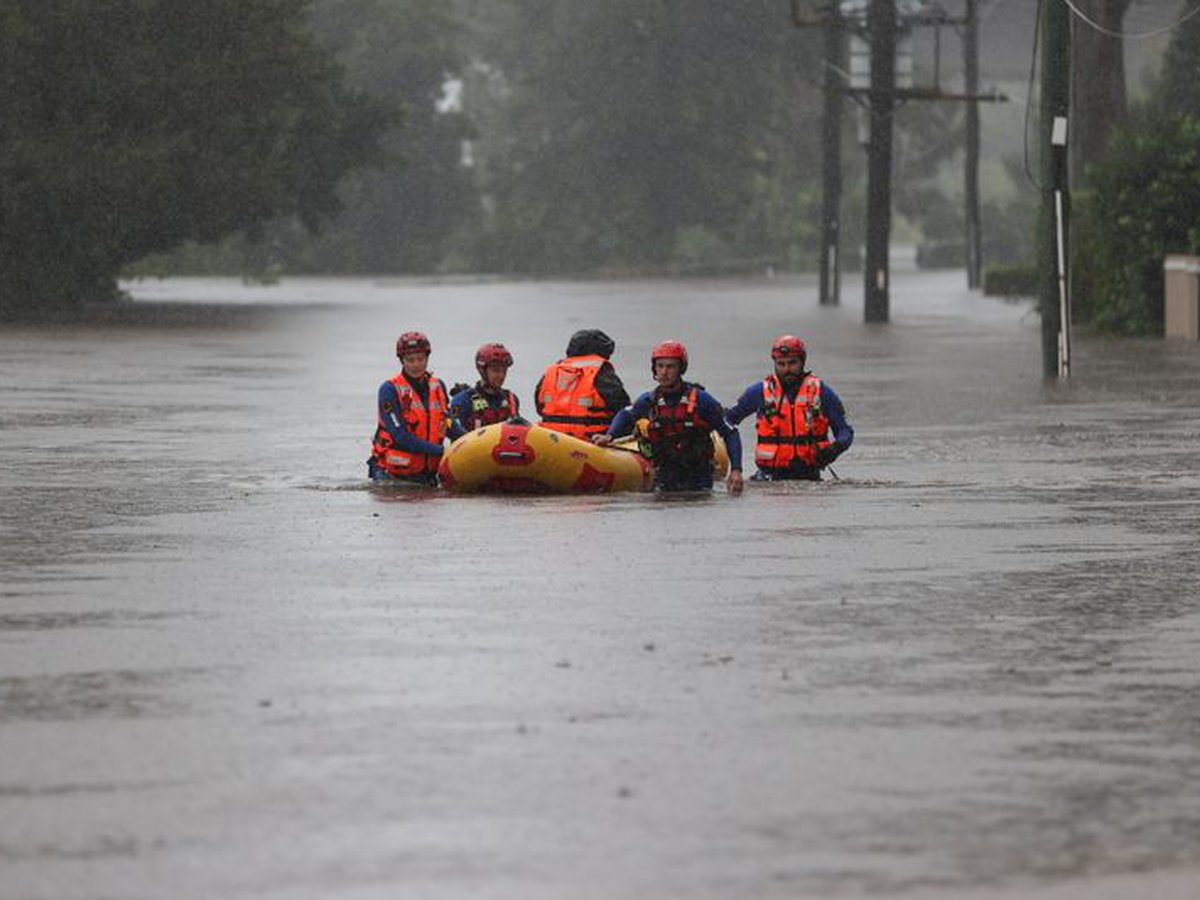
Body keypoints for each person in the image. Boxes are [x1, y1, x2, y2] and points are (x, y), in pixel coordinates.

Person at [593, 340, 743, 494]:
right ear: (654, 369)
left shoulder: (702, 400)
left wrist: (736, 470)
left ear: (680, 369)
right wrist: (609, 435)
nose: (664, 372)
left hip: (699, 481)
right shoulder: (649, 401)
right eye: (660, 366)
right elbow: (625, 414)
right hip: (663, 479)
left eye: (670, 366)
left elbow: (730, 433)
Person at [725, 334, 853, 481]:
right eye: (781, 364)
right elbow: (728, 421)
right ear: (775, 364)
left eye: (792, 363)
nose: (787, 369)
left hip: (809, 477)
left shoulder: (820, 392)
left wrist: (834, 449)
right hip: (768, 480)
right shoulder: (759, 392)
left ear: (802, 362)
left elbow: (845, 431)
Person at [367, 331, 451, 483]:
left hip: (428, 474)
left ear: (427, 358)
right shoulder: (389, 389)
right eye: (410, 360)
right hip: (391, 474)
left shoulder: (438, 386)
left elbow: (449, 425)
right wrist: (442, 451)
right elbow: (401, 436)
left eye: (420, 359)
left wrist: (473, 441)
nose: (416, 365)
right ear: (402, 361)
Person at [535, 328, 629, 439]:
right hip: (591, 442)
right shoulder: (601, 373)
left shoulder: (551, 372)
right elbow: (624, 409)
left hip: (550, 439)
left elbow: (539, 406)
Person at [449, 342, 520, 433]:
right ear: (482, 370)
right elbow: (452, 430)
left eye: (504, 371)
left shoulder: (511, 400)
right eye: (496, 371)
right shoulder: (462, 400)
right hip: (472, 446)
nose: (501, 376)